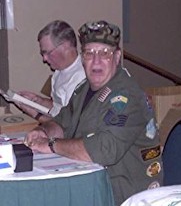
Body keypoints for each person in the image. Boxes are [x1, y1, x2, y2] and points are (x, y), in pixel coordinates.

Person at [24, 20, 163, 206]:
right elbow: (61, 121)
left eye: (105, 53)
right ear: (83, 58)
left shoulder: (128, 96)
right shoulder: (84, 90)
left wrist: (50, 144)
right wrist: (43, 131)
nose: (96, 61)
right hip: (94, 186)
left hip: (126, 195)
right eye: (90, 53)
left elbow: (105, 149)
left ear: (117, 57)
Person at [16, 20, 86, 122]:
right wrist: (39, 101)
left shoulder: (83, 77)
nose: (44, 59)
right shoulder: (58, 72)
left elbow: (69, 127)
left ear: (65, 46)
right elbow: (58, 108)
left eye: (48, 53)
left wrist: (35, 115)